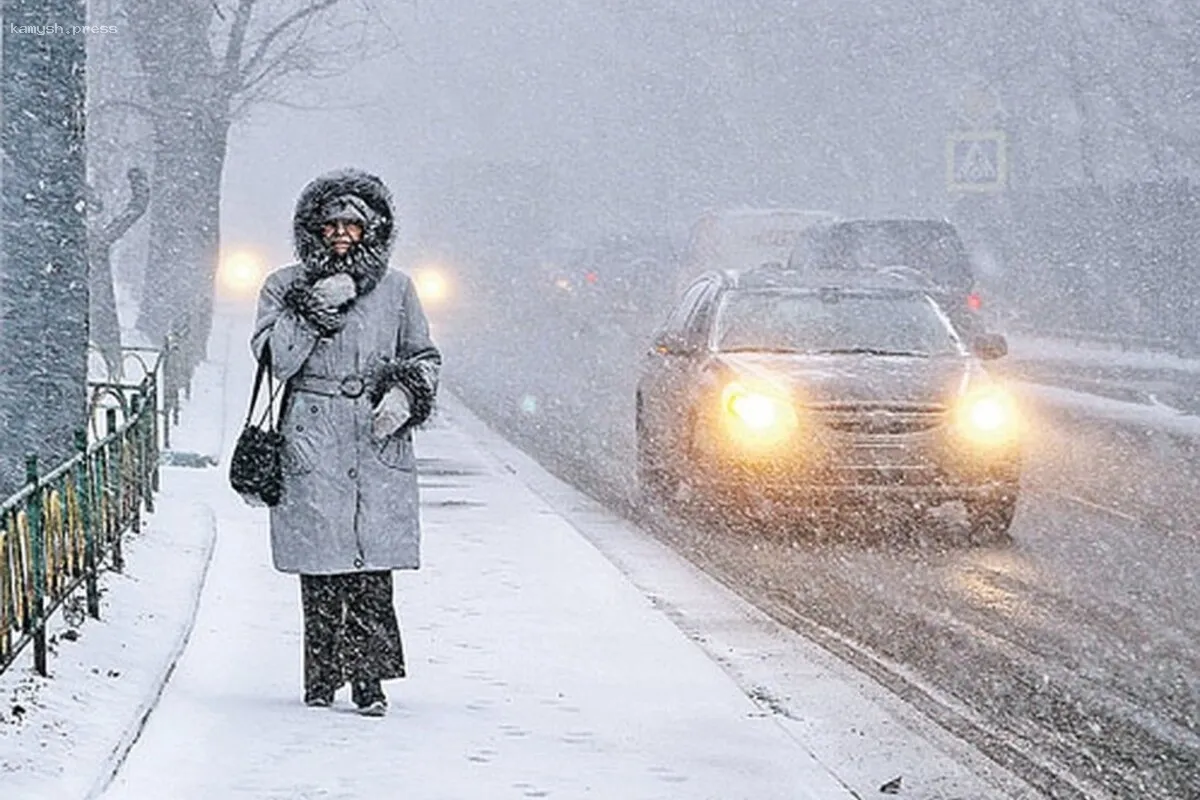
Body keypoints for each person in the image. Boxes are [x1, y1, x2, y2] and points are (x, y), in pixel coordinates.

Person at [250, 168, 441, 716]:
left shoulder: (399, 288)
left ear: (371, 229)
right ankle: (321, 677)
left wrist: (405, 396)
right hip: (312, 434)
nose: (340, 233)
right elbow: (275, 360)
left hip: (376, 434)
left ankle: (369, 682)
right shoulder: (284, 284)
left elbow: (424, 356)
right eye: (331, 223)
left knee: (369, 565)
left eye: (352, 224)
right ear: (314, 227)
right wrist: (313, 308)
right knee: (322, 565)